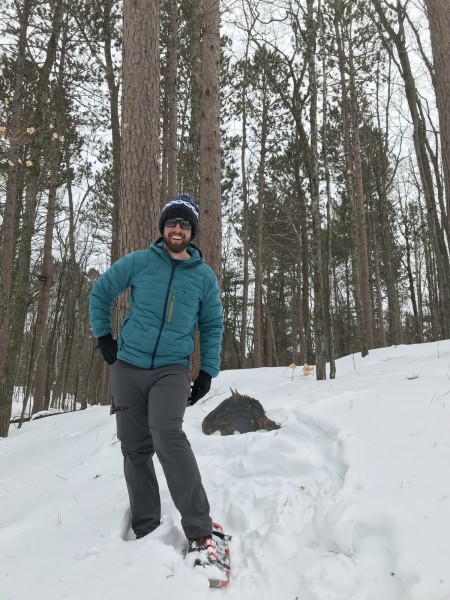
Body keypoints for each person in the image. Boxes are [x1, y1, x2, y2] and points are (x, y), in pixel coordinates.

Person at [89, 193, 223, 562]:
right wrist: (104, 338)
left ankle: (200, 529)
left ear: (192, 231)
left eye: (184, 224)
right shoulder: (139, 262)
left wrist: (207, 371)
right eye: (172, 222)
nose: (177, 228)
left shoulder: (204, 278)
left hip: (171, 369)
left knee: (167, 433)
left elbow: (212, 325)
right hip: (128, 367)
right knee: (134, 447)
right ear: (163, 227)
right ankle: (146, 526)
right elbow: (100, 292)